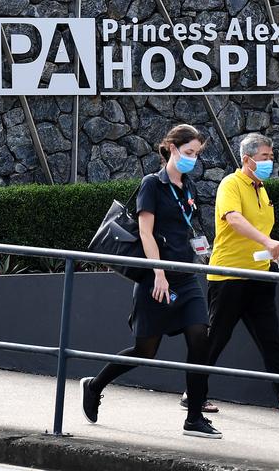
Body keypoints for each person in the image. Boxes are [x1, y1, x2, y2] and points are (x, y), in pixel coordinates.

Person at [80, 124, 222, 439]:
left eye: (196, 154)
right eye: (188, 153)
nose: (193, 160)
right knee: (145, 351)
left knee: (200, 339)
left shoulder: (189, 186)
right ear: (171, 148)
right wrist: (158, 272)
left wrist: (202, 252)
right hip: (156, 279)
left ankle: (195, 418)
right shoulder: (152, 185)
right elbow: (146, 232)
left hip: (185, 278)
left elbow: (188, 228)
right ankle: (95, 385)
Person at [180, 132, 279, 417]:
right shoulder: (231, 184)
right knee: (217, 337)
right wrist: (268, 242)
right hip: (230, 275)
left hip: (259, 274)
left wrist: (272, 248)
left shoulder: (261, 188)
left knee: (270, 337)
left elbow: (258, 228)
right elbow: (234, 219)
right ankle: (193, 393)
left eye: (271, 157)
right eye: (265, 157)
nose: (270, 162)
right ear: (247, 159)